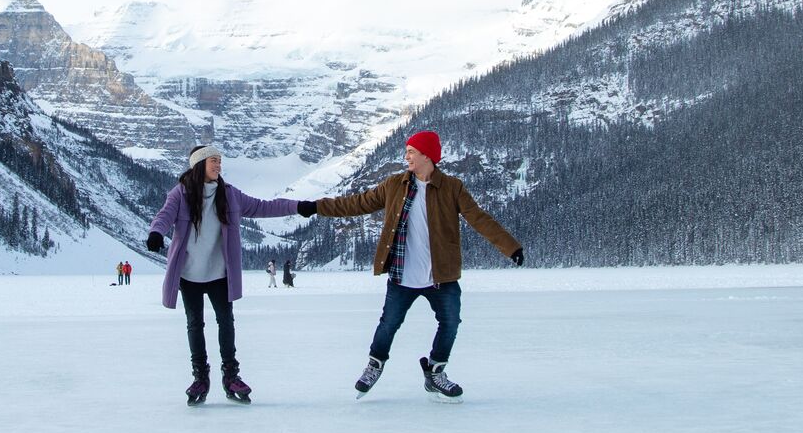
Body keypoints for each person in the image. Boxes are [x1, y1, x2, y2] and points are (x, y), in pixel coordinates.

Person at [298, 130, 523, 402]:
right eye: (407, 152)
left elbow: (479, 218)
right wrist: (316, 207)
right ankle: (374, 365)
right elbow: (357, 203)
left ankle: (436, 372)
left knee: (450, 322)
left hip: (440, 275)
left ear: (427, 155)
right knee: (388, 323)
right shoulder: (395, 185)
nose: (406, 157)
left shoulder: (453, 188)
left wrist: (511, 247)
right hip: (402, 275)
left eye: (411, 152)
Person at [147, 145, 303, 405]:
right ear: (199, 165)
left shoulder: (229, 194)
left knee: (226, 322)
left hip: (220, 274)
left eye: (220, 161)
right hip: (189, 275)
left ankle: (231, 376)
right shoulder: (181, 194)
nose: (219, 166)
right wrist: (156, 232)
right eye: (214, 161)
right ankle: (200, 377)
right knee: (194, 324)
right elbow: (164, 216)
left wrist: (299, 206)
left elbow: (263, 207)